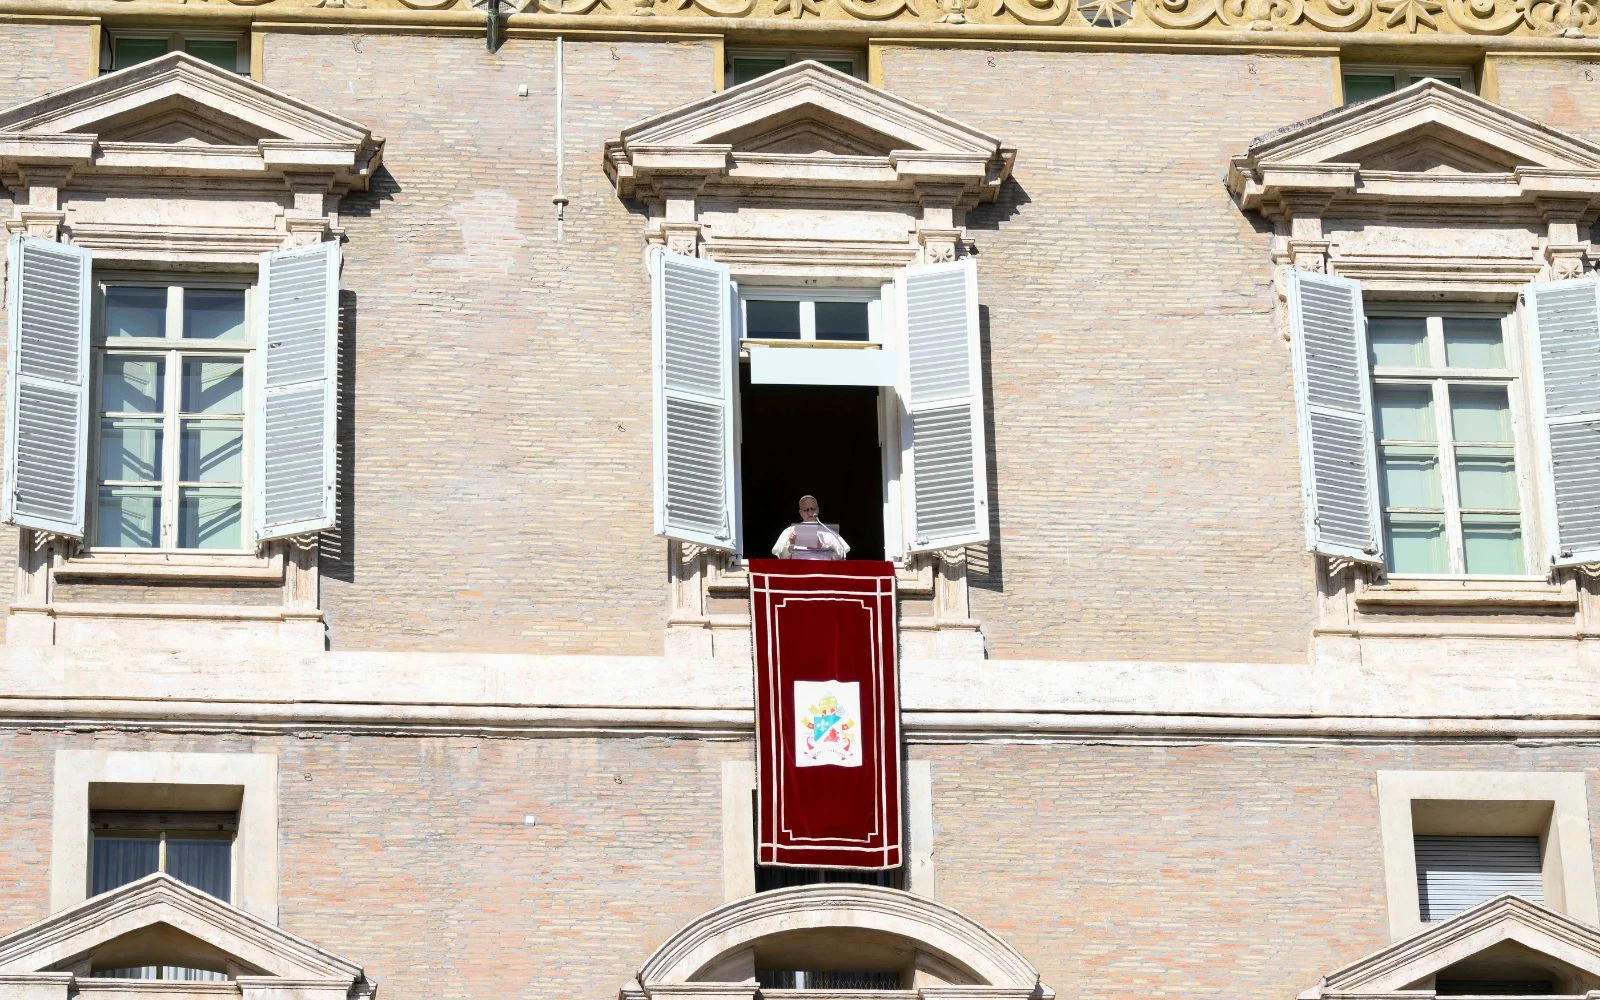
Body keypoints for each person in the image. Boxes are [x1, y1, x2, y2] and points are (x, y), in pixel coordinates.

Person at [772, 494, 850, 560]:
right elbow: (782, 558)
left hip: (824, 573)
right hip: (800, 573)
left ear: (818, 510)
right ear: (801, 513)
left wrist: (822, 545)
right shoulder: (789, 531)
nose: (810, 512)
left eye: (813, 509)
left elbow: (841, 556)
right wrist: (791, 544)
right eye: (806, 510)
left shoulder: (828, 531)